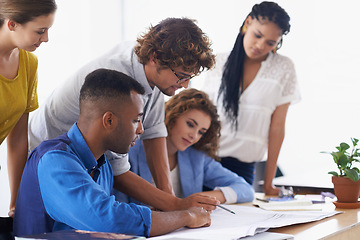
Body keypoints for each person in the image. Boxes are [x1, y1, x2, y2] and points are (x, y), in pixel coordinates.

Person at [27, 18, 217, 210]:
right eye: (182, 76)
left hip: (83, 159)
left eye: (189, 78)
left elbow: (153, 132)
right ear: (155, 58)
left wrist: (172, 201)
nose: (185, 85)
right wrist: (176, 206)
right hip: (47, 154)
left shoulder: (157, 74)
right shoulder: (119, 79)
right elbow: (119, 172)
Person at [14, 69, 211, 237]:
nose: (141, 129)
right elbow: (109, 219)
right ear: (108, 121)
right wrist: (187, 216)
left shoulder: (103, 165)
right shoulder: (55, 160)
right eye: (136, 120)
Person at [200, 1, 300, 195]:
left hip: (244, 167)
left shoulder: (283, 68)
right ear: (247, 23)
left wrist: (269, 183)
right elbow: (201, 113)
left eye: (270, 43)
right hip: (204, 162)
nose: (260, 45)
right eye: (258, 35)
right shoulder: (218, 63)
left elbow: (277, 128)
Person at [120, 88, 254, 206]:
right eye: (190, 124)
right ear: (173, 116)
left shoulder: (197, 158)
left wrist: (203, 198)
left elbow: (246, 189)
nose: (194, 136)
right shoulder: (131, 151)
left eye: (201, 132)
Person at [0, 0, 57, 217]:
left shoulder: (28, 64)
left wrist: (16, 202)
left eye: (48, 30)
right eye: (40, 31)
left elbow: (17, 140)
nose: (46, 39)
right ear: (12, 24)